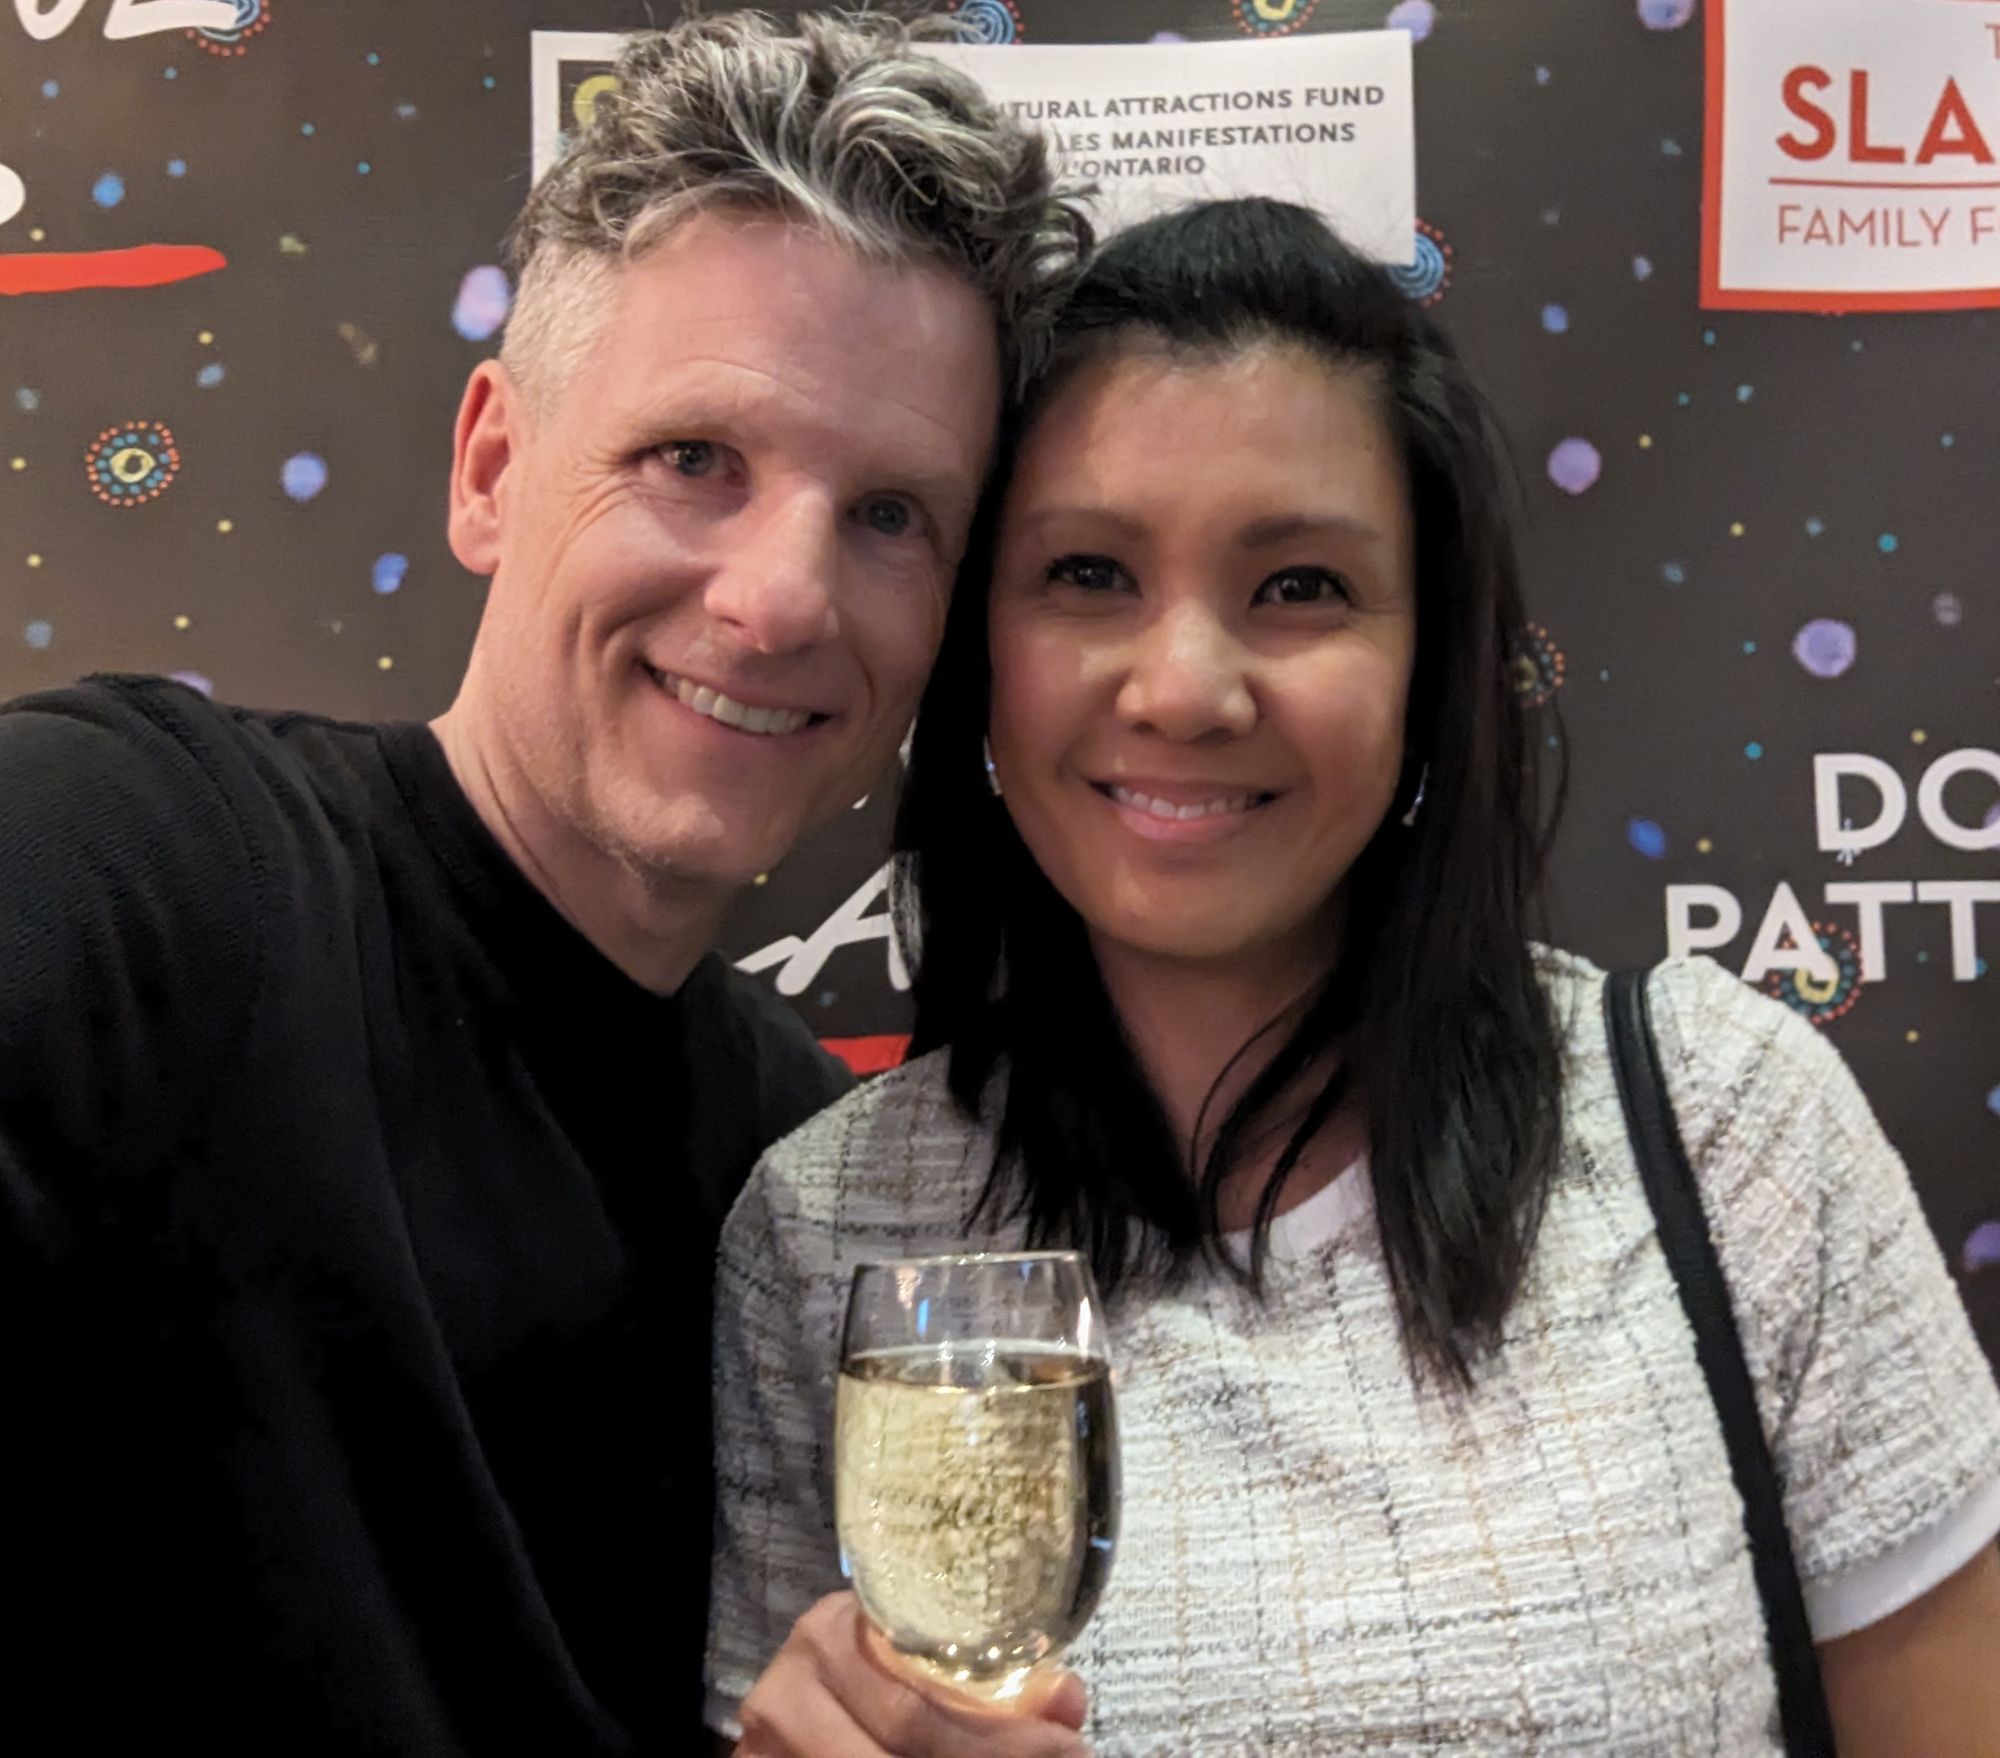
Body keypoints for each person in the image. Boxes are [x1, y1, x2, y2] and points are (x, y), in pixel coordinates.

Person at [707, 198, 2000, 1755]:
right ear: (981, 650)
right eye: (1089, 572)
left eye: (1300, 586)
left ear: (1427, 665)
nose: (1185, 688)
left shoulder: (1733, 1126)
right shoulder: (828, 1233)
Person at [0, 14, 1090, 1752]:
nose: (781, 598)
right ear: (494, 468)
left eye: (891, 514)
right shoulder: (143, 864)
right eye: (694, 459)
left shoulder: (799, 1187)